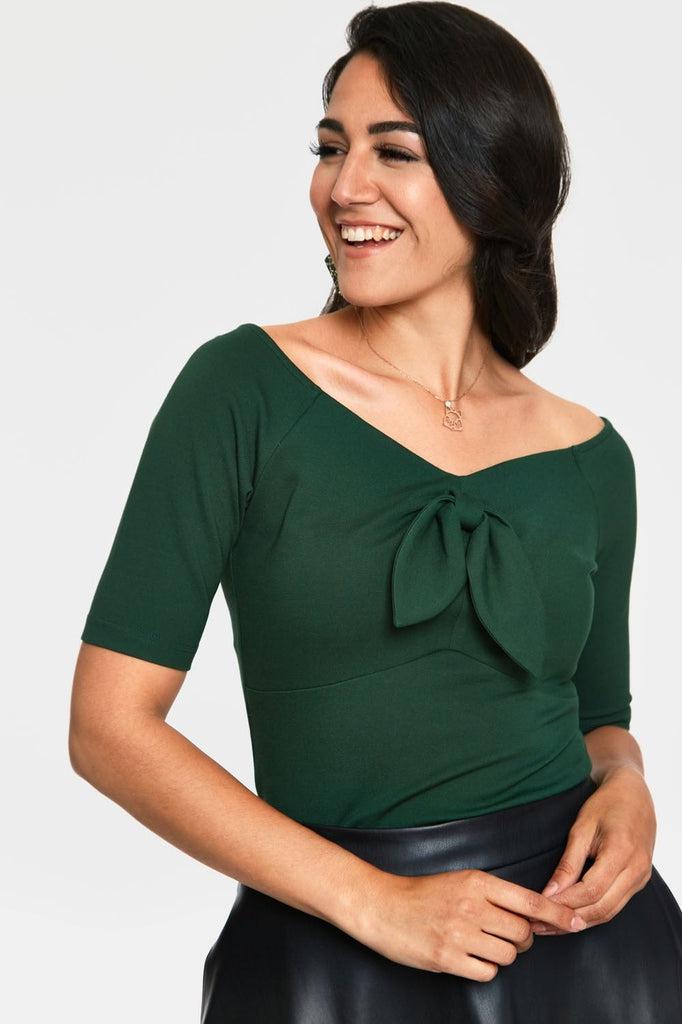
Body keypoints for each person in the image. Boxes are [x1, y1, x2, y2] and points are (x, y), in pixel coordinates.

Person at [69, 3, 682, 1021]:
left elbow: (598, 720)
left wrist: (627, 787)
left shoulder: (592, 456)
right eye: (330, 148)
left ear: (492, 180)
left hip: (595, 954)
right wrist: (374, 901)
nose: (343, 186)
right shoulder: (241, 391)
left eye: (394, 152)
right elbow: (107, 727)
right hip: (330, 955)